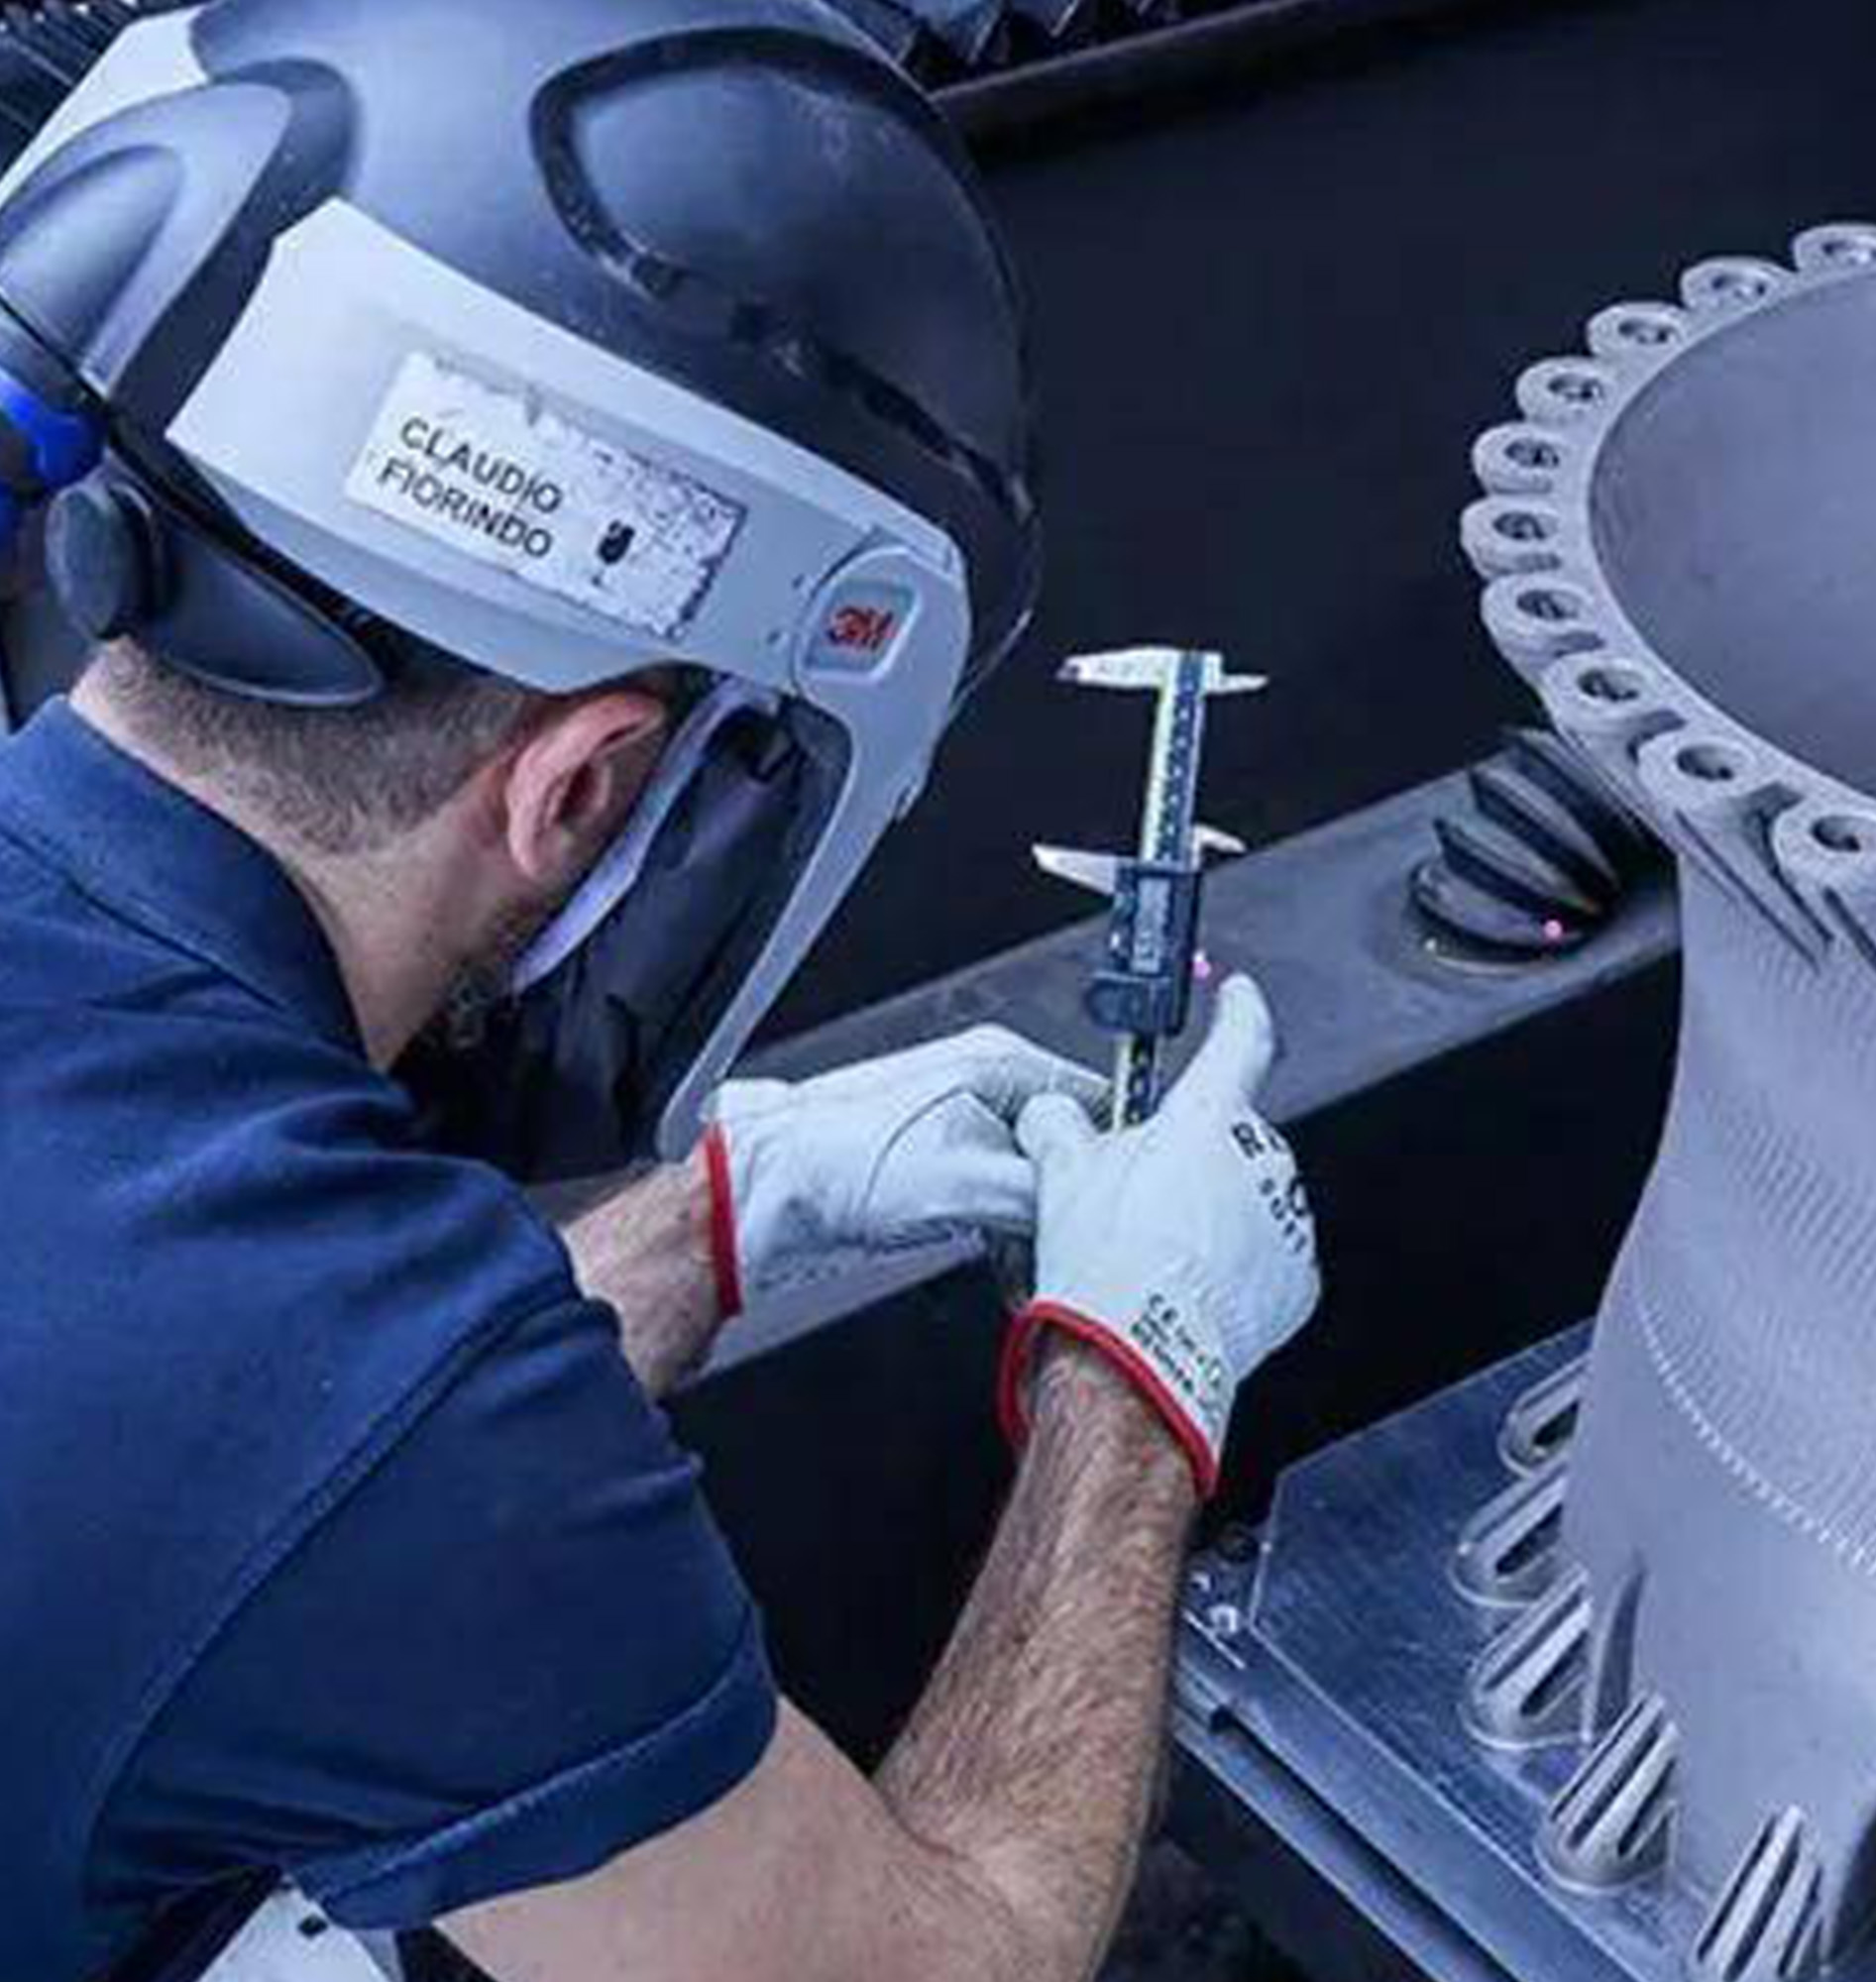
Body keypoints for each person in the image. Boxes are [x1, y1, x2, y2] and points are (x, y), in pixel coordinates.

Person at [0, 3, 1323, 1979]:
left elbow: (227, 1504)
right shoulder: (364, 1377)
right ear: (587, 783)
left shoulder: (265, 1302)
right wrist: (1137, 1375)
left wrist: (724, 1210)